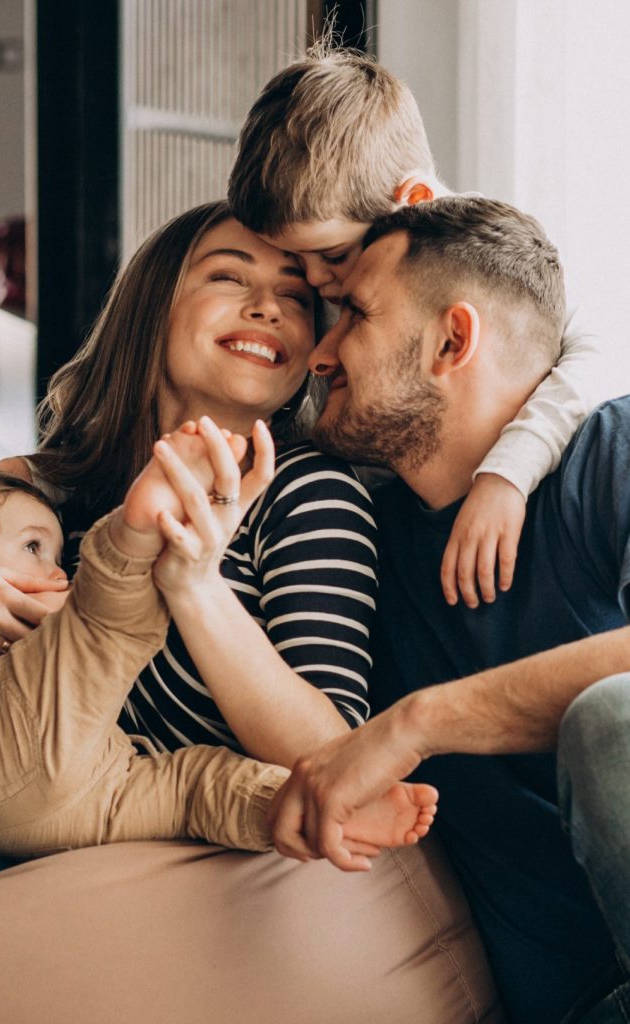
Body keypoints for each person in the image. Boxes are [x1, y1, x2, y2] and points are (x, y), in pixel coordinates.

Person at [0, 202, 381, 923]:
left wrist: (195, 587)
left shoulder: (306, 490)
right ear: (153, 306)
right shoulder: (45, 488)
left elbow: (331, 753)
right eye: (231, 277)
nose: (267, 309)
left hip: (143, 845)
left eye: (294, 297)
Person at [268, 196, 630, 1024]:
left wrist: (416, 723)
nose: (319, 353)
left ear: (453, 341)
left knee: (610, 720)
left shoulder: (609, 455)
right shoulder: (355, 547)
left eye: (353, 313)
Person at [0, 444, 438, 873]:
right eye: (35, 548)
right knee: (103, 622)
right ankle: (132, 540)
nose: (58, 570)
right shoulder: (63, 482)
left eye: (59, 553)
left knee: (197, 789)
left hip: (96, 783)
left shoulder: (310, 489)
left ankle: (307, 811)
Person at [227, 43, 616, 608]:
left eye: (332, 255)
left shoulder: (489, 264)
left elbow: (597, 353)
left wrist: (505, 475)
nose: (318, 284)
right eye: (296, 267)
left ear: (412, 201)